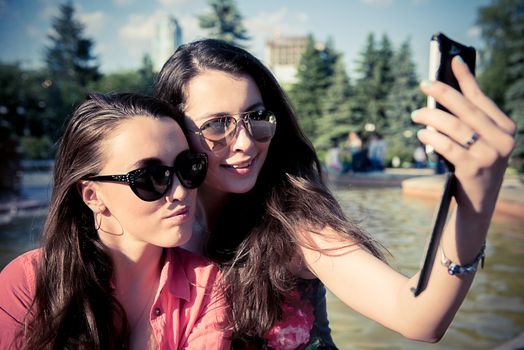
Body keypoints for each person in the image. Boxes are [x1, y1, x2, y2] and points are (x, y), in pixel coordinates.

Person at [155, 39, 516, 349]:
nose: (246, 143)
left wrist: (475, 199)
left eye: (256, 117)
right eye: (217, 125)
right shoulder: (152, 226)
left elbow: (419, 317)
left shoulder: (293, 221)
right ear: (175, 132)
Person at [0, 93, 230, 349]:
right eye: (151, 177)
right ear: (92, 195)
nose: (180, 192)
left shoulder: (205, 285)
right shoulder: (28, 284)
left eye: (188, 168)